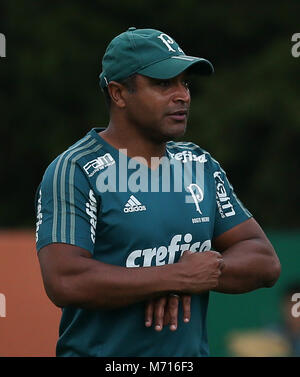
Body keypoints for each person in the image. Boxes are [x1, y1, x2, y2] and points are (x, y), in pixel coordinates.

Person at [35, 27, 281, 357]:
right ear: (119, 94)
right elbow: (65, 280)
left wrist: (198, 274)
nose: (183, 95)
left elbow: (264, 260)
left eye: (185, 83)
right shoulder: (75, 170)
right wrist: (174, 276)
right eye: (164, 83)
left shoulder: (198, 164)